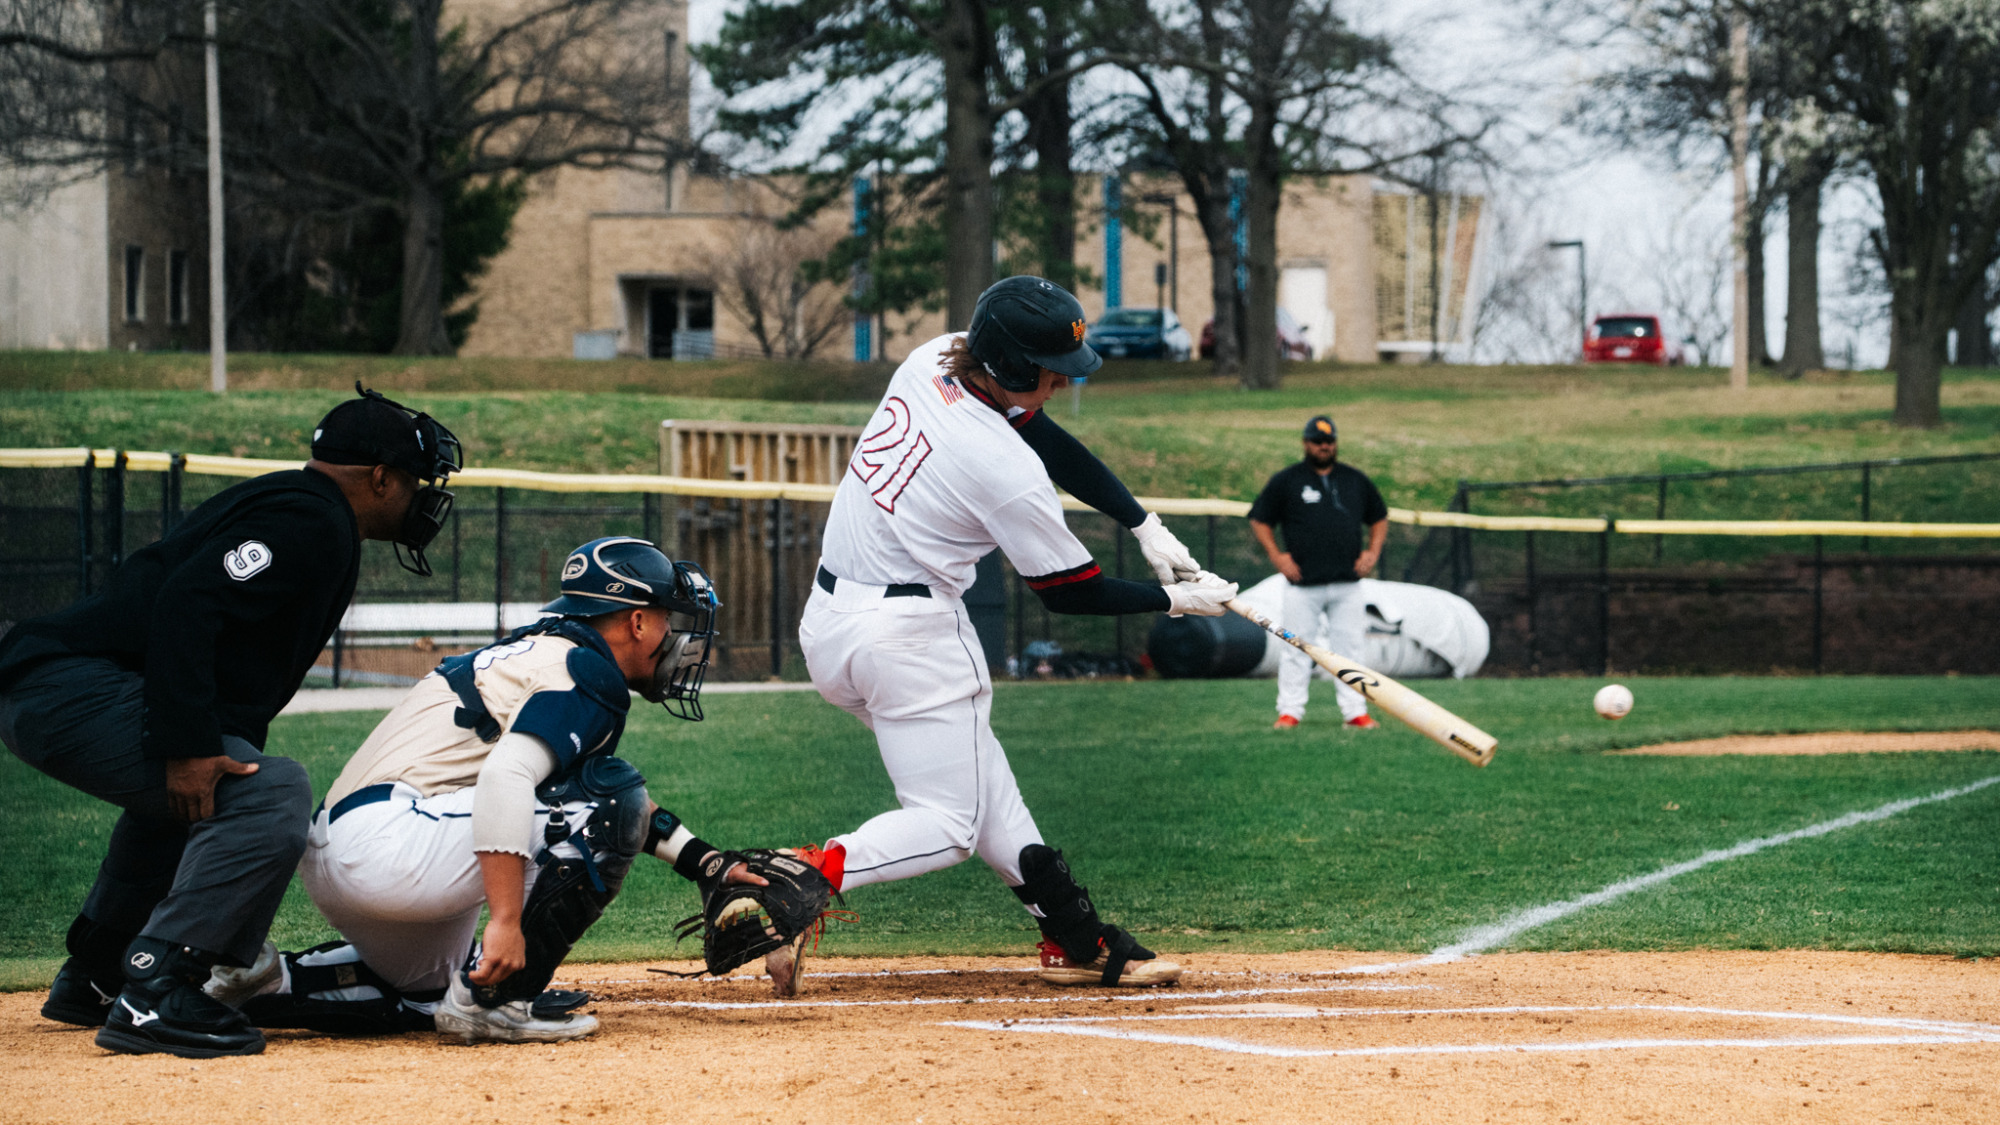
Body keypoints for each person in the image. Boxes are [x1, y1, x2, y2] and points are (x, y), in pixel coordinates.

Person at [793, 276, 1238, 988]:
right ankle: (803, 877)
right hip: (910, 638)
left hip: (831, 623)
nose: (1063, 382)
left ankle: (1073, 936)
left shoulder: (937, 356)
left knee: (984, 786)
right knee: (950, 823)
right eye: (1050, 372)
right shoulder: (1002, 469)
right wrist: (1175, 599)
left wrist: (1141, 522)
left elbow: (1047, 437)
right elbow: (1069, 591)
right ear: (1010, 365)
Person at [0, 387, 461, 1058]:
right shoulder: (311, 518)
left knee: (211, 786)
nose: (419, 498)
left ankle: (98, 973)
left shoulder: (302, 505)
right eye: (414, 481)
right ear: (381, 477)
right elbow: (189, 602)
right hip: (67, 685)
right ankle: (160, 987)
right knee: (268, 791)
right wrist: (188, 743)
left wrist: (201, 748)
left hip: (52, 683)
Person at [206, 537, 764, 1044]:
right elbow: (518, 781)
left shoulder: (544, 651)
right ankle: (500, 1000)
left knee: (428, 992)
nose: (676, 637)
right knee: (609, 800)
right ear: (637, 621)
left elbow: (581, 798)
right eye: (668, 619)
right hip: (393, 849)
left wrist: (705, 862)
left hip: (355, 848)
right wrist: (504, 922)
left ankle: (267, 979)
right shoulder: (585, 670)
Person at [1248, 414, 1390, 731]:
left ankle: (1355, 712)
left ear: (1335, 443)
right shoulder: (1288, 480)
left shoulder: (1354, 479)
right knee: (1296, 647)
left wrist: (1372, 552)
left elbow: (1379, 516)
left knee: (1350, 650)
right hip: (1302, 584)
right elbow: (1259, 518)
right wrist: (1277, 556)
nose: (1324, 446)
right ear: (1306, 443)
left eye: (1329, 441)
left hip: (1347, 583)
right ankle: (1290, 712)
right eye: (1318, 441)